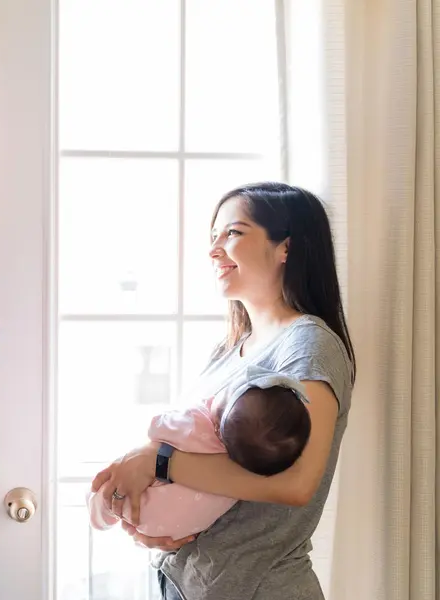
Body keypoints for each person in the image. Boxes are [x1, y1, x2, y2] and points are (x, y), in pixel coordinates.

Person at [91, 182, 355, 600]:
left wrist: (159, 463)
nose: (214, 250)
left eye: (232, 232)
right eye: (213, 236)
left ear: (286, 247)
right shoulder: (231, 348)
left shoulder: (308, 344)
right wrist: (159, 527)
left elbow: (296, 483)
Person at [87, 365, 311, 540]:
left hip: (148, 508)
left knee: (106, 491)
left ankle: (98, 511)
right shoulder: (245, 462)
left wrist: (155, 454)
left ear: (218, 425)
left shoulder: (197, 423)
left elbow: (157, 428)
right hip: (178, 530)